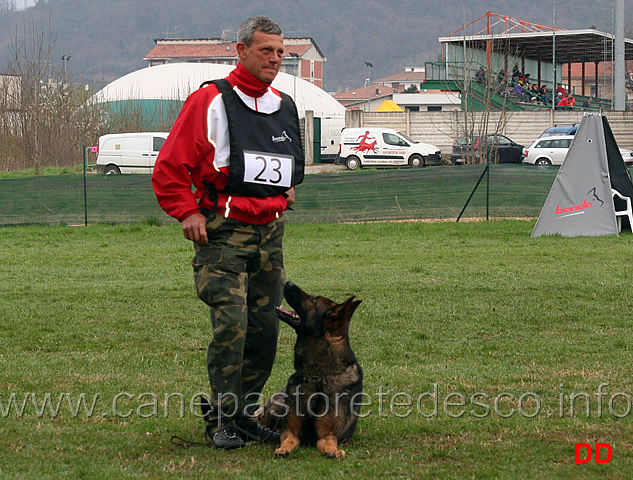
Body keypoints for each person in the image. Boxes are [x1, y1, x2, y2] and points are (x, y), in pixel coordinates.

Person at [152, 15, 304, 449]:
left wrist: (285, 190)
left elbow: (286, 167)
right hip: (223, 234)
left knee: (265, 331)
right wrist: (186, 213)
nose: (275, 58)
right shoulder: (209, 101)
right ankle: (221, 420)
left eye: (280, 52)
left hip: (270, 237)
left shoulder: (285, 106)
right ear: (241, 51)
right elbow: (169, 168)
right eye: (265, 50)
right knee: (232, 327)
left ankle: (242, 415)